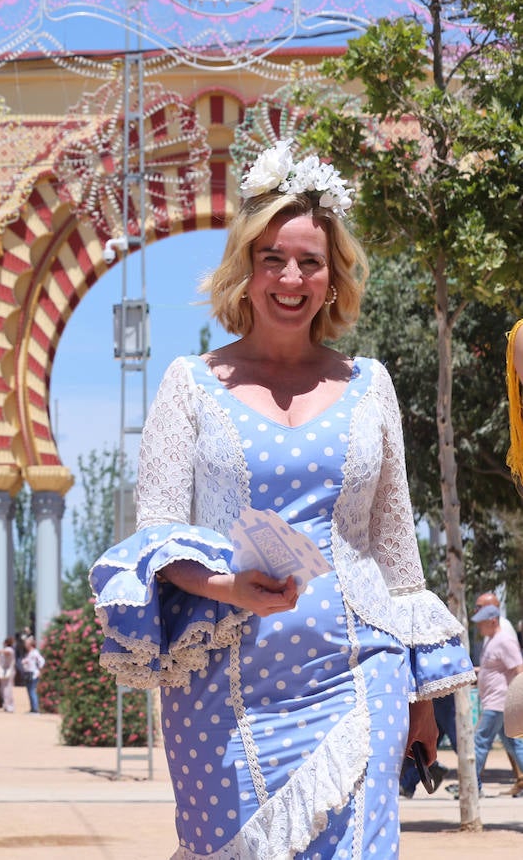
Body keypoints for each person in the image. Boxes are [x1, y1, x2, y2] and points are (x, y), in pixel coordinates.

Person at [89, 140, 474, 857]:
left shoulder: (372, 385)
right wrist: (226, 586)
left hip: (361, 673)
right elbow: (159, 538)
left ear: (333, 279)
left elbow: (397, 553)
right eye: (272, 258)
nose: (290, 277)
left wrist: (424, 700)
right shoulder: (189, 384)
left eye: (310, 261)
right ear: (247, 268)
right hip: (224, 690)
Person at [470, 603, 523, 795]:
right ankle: (472, 785)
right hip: (496, 701)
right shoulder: (492, 640)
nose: (478, 627)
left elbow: (519, 669)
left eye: (482, 623)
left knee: (479, 742)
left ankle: (471, 786)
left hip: (499, 702)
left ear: (492, 621)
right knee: (513, 744)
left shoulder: (505, 640)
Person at [20, 634, 45, 714]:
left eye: (26, 644)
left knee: (32, 691)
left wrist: (39, 671)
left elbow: (41, 661)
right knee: (29, 691)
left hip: (33, 674)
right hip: (28, 673)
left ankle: (35, 709)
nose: (25, 645)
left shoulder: (34, 652)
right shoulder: (28, 653)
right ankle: (32, 708)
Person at [0, 635, 17, 713]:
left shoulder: (9, 649)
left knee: (7, 690)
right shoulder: (7, 649)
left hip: (9, 671)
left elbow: (7, 652)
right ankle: (6, 705)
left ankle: (9, 706)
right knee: (3, 689)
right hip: (4, 671)